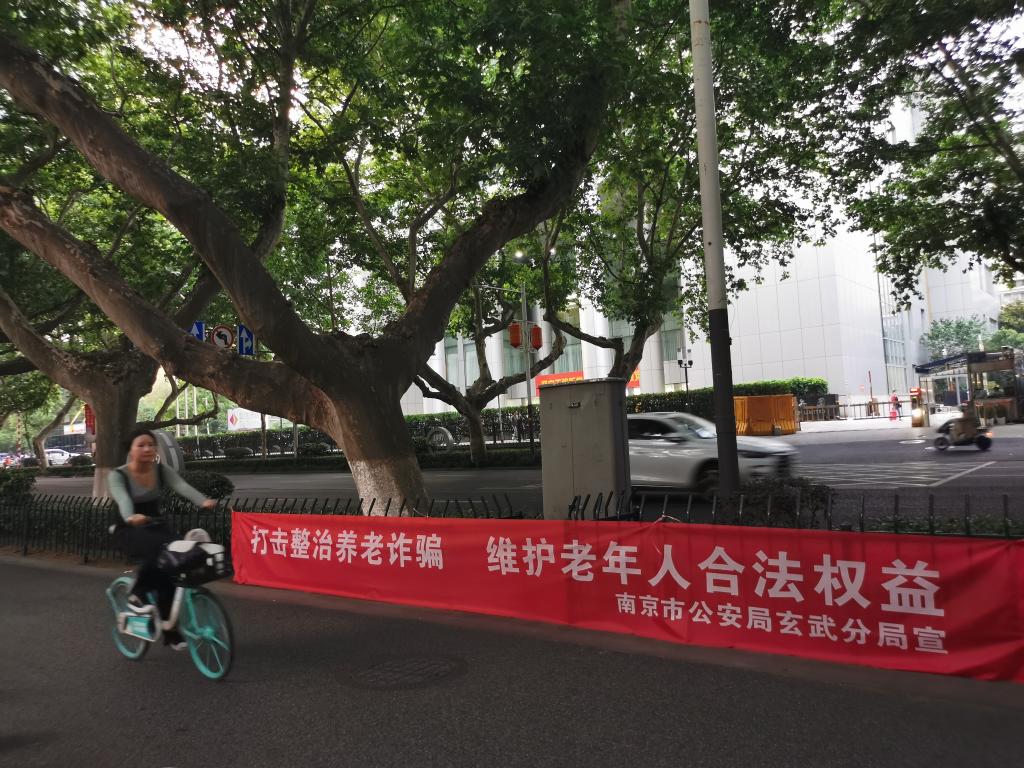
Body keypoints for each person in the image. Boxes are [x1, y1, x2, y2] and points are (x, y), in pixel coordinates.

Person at [108, 427, 216, 650]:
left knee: (174, 568)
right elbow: (123, 499)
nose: (147, 449)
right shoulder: (118, 475)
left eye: (151, 444)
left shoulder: (160, 470)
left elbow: (181, 486)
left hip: (156, 524)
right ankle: (137, 592)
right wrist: (131, 517)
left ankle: (170, 630)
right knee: (158, 550)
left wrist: (202, 500)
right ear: (130, 450)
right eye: (141, 445)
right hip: (127, 527)